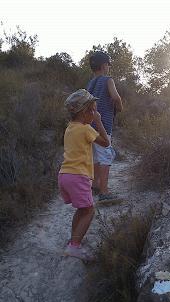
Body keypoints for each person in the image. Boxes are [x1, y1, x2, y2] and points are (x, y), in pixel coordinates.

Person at [58, 89, 109, 260]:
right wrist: (99, 122)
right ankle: (74, 246)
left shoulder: (70, 128)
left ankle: (74, 240)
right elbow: (106, 143)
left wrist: (93, 117)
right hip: (78, 176)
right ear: (84, 112)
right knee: (89, 211)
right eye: (93, 110)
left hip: (64, 175)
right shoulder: (86, 129)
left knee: (81, 210)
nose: (95, 113)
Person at [87, 51, 123, 202]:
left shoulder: (90, 83)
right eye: (108, 64)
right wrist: (120, 107)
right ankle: (104, 191)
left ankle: (95, 185)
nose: (109, 67)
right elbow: (115, 97)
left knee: (95, 157)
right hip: (103, 125)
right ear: (104, 65)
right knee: (106, 156)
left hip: (89, 126)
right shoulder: (108, 80)